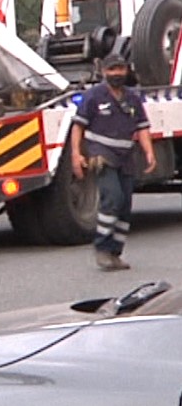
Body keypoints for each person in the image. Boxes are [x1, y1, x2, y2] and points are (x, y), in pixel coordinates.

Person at [71, 53, 155, 270]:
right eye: (112, 70)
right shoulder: (93, 97)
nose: (117, 74)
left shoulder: (132, 98)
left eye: (120, 69)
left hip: (126, 157)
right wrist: (76, 155)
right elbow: (78, 127)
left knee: (125, 206)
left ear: (126, 71)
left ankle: (115, 252)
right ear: (104, 72)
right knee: (113, 198)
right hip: (102, 156)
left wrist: (149, 153)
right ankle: (102, 249)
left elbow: (142, 128)